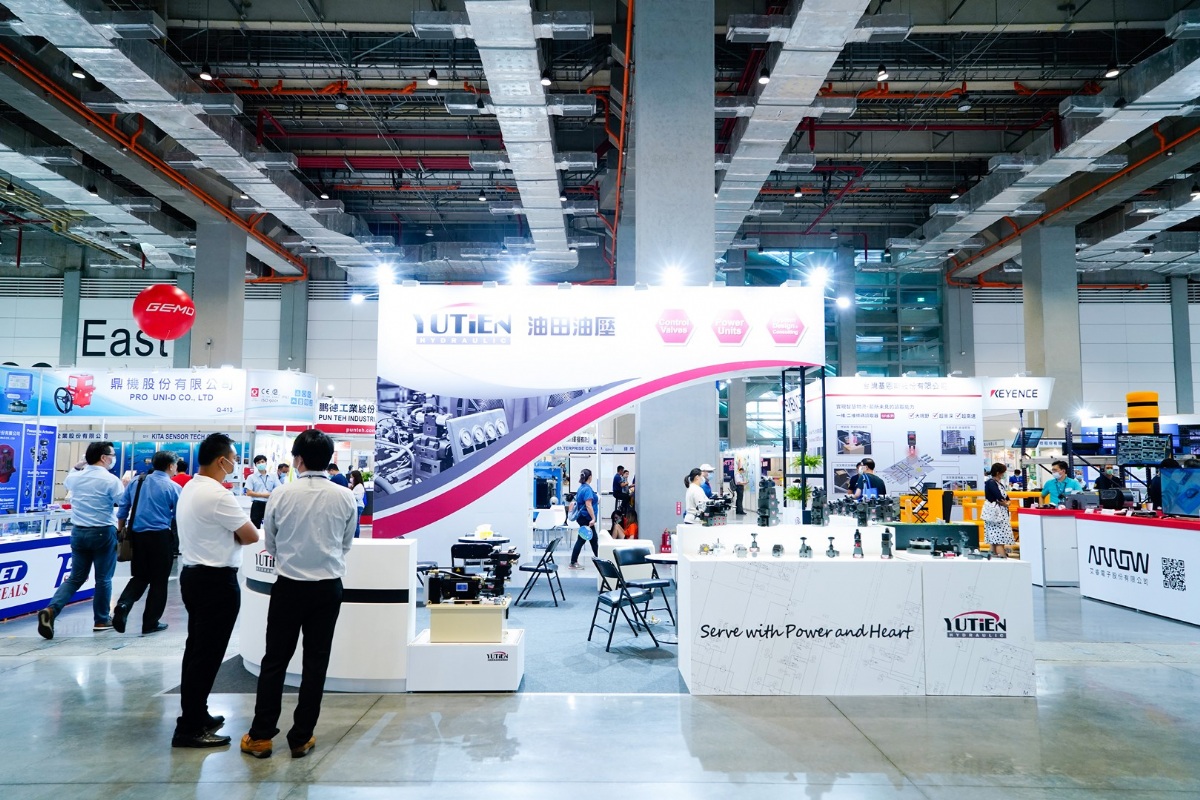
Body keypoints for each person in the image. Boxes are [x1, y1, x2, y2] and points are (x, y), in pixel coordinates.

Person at [240, 429, 357, 761]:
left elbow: (271, 542)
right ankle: (301, 737)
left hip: (289, 586)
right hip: (328, 587)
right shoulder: (345, 496)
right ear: (329, 459)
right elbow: (346, 543)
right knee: (316, 662)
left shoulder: (281, 494)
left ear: (298, 459)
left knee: (275, 660)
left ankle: (261, 736)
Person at [173, 433, 261, 749]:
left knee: (196, 650)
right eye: (234, 459)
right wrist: (233, 535)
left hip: (193, 576)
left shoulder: (191, 488)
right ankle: (190, 728)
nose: (235, 464)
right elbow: (251, 536)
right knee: (207, 655)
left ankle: (196, 713)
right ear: (221, 460)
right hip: (215, 582)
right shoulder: (218, 495)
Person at [37, 441, 124, 639]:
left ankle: (51, 610)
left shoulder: (75, 478)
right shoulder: (111, 480)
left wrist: (79, 465)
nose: (113, 459)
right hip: (103, 531)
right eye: (112, 455)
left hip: (78, 532)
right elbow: (122, 501)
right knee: (103, 578)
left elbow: (69, 479)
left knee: (76, 577)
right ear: (103, 457)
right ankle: (101, 619)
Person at [112, 450, 182, 636]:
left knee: (140, 576)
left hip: (137, 536)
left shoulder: (137, 481)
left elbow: (123, 507)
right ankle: (150, 622)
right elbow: (179, 515)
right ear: (170, 466)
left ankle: (123, 604)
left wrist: (120, 530)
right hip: (160, 537)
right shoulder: (173, 487)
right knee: (159, 581)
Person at [567, 469, 598, 570]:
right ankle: (573, 562)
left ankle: (600, 560)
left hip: (582, 517)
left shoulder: (581, 487)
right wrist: (593, 518)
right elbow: (588, 505)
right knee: (583, 540)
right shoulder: (587, 489)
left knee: (593, 540)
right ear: (590, 477)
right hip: (586, 518)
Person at [983, 463, 1015, 560]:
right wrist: (1006, 503)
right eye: (1003, 472)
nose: (1004, 474)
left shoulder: (998, 483)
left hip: (998, 514)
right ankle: (1003, 559)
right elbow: (1000, 497)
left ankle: (993, 559)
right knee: (999, 541)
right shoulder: (991, 483)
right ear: (998, 473)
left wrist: (1007, 502)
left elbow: (1006, 498)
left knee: (994, 541)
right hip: (997, 515)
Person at [245, 454, 281, 528]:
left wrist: (271, 494)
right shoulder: (251, 477)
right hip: (257, 504)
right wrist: (264, 495)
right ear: (255, 465)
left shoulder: (273, 476)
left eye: (262, 462)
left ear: (266, 463)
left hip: (270, 503)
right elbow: (249, 492)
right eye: (258, 463)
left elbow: (279, 488)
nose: (261, 464)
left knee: (271, 525)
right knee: (255, 525)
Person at [348, 469, 366, 538]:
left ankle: (356, 538)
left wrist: (350, 494)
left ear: (356, 477)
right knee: (354, 523)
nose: (351, 479)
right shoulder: (355, 486)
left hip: (358, 506)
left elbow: (358, 497)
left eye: (352, 477)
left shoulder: (359, 486)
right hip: (355, 506)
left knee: (356, 524)